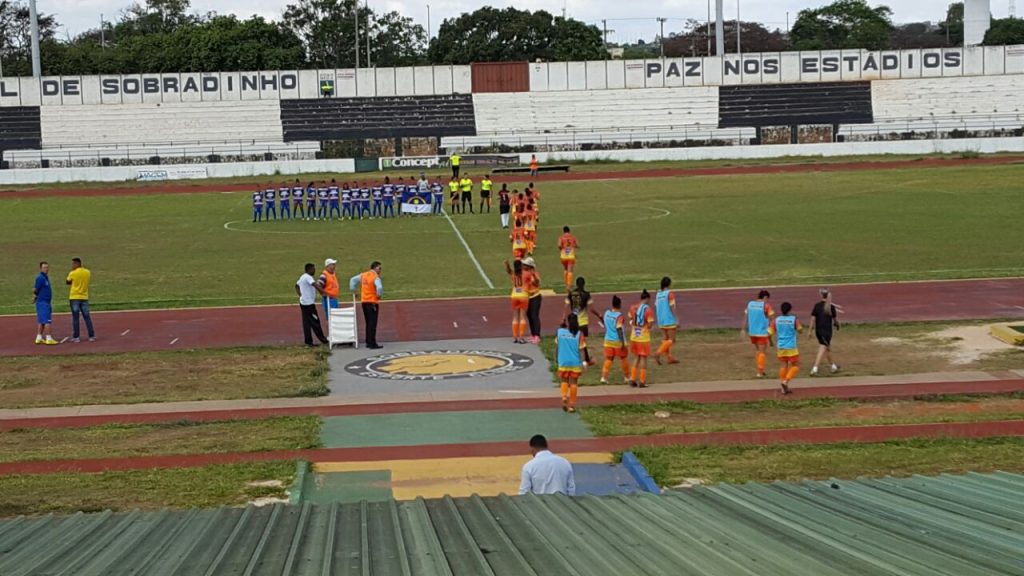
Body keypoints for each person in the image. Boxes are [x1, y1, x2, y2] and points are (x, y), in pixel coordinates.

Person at [564, 277, 599, 366]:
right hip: (583, 322)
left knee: (574, 340)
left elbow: (566, 306)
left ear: (576, 284)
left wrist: (564, 318)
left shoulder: (571, 294)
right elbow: (591, 309)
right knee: (582, 342)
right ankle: (586, 360)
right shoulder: (586, 295)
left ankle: (575, 357)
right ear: (584, 284)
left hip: (573, 321)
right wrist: (599, 315)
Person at [350, 261, 383, 349]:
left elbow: (352, 281)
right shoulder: (376, 277)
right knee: (372, 323)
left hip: (364, 302)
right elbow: (379, 288)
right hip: (372, 302)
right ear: (375, 268)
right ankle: (372, 343)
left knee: (368, 322)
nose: (380, 270)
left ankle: (368, 341)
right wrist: (378, 295)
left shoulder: (363, 275)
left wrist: (354, 291)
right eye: (379, 268)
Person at [555, 314, 585, 413]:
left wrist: (556, 358)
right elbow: (582, 350)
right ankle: (572, 406)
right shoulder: (579, 334)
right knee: (573, 383)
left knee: (564, 381)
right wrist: (583, 362)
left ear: (567, 322)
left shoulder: (560, 332)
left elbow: (557, 347)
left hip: (563, 361)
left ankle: (564, 396)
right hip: (575, 362)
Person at [742, 290, 775, 378]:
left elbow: (746, 317)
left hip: (752, 332)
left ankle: (761, 369)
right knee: (762, 352)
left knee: (758, 351)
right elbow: (773, 319)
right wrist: (771, 332)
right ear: (765, 297)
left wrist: (743, 329)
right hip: (762, 332)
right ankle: (759, 372)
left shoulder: (750, 304)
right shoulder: (766, 306)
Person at [809, 288, 841, 376]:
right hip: (827, 332)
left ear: (821, 295)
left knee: (827, 348)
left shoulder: (817, 306)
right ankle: (815, 368)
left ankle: (833, 366)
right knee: (823, 348)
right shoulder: (831, 307)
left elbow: (812, 319)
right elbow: (835, 320)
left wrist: (810, 331)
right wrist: (838, 325)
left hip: (818, 331)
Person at [296, 263, 329, 347]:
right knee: (315, 321)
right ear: (309, 269)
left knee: (306, 323)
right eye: (313, 269)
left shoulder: (302, 277)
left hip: (303, 303)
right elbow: (315, 285)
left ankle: (308, 342)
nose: (314, 270)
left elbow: (296, 285)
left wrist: (301, 295)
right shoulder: (308, 277)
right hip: (309, 304)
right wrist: (323, 293)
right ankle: (323, 340)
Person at [773, 302, 802, 395]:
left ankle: (783, 388)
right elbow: (800, 330)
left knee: (783, 366)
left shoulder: (776, 320)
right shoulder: (793, 319)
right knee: (795, 366)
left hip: (781, 346)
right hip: (791, 347)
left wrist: (770, 341)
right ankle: (785, 381)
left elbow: (769, 332)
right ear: (790, 310)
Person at [600, 296, 630, 385]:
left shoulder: (607, 313)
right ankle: (627, 377)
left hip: (608, 340)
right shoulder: (619, 316)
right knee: (623, 358)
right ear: (619, 304)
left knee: (609, 359)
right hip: (617, 341)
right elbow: (619, 329)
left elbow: (604, 322)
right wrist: (622, 342)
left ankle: (603, 377)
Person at [628, 290, 654, 387]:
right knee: (643, 358)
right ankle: (642, 381)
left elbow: (630, 319)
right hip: (643, 337)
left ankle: (632, 378)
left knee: (636, 357)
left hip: (634, 336)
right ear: (647, 299)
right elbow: (650, 324)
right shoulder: (648, 310)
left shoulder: (633, 307)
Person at [66, 257, 95, 343]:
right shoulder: (87, 272)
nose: (72, 265)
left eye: (73, 264)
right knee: (87, 317)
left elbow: (68, 282)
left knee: (75, 318)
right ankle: (91, 336)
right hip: (84, 297)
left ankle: (76, 337)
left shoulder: (72, 273)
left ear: (77, 264)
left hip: (74, 297)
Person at [654, 276, 679, 365]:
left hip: (661, 319)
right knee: (672, 340)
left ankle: (669, 358)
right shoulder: (670, 294)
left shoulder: (658, 294)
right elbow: (672, 307)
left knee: (665, 339)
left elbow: (656, 306)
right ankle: (658, 352)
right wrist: (676, 319)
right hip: (669, 318)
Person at [32, 262, 58, 345]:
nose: (46, 269)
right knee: (47, 320)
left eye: (47, 267)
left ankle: (39, 337)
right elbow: (35, 289)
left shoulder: (45, 278)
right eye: (44, 267)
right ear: (41, 268)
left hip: (44, 302)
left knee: (41, 321)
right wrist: (36, 296)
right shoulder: (40, 278)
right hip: (43, 302)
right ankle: (48, 338)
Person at [505, 259, 529, 344]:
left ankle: (515, 337)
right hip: (523, 295)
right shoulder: (525, 274)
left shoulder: (513, 274)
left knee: (515, 317)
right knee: (522, 317)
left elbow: (509, 271)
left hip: (514, 295)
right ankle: (521, 337)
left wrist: (507, 265)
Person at [522, 257, 542, 344]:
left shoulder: (534, 274)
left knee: (534, 316)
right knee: (529, 316)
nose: (523, 266)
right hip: (527, 297)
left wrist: (533, 276)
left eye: (525, 265)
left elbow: (537, 283)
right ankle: (533, 334)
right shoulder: (524, 273)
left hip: (535, 297)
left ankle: (537, 335)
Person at [318, 258, 340, 323]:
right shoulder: (324, 275)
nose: (334, 266)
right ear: (328, 266)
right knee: (331, 317)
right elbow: (318, 285)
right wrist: (323, 293)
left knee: (335, 316)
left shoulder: (332, 274)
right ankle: (330, 330)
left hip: (334, 299)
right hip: (328, 299)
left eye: (334, 264)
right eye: (332, 265)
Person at [558, 226, 579, 290]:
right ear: (569, 231)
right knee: (570, 270)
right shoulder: (573, 237)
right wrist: (574, 246)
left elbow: (559, 245)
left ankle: (566, 284)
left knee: (565, 269)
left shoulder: (561, 237)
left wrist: (562, 248)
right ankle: (569, 286)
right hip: (571, 256)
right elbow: (577, 245)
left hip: (563, 256)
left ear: (563, 231)